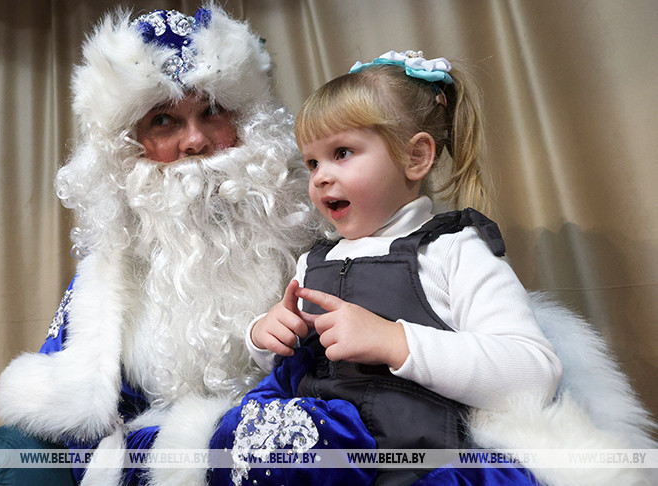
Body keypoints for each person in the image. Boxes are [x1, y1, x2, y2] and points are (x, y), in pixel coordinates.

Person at [206, 50, 655, 486]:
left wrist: (394, 341)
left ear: (415, 157)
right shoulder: (313, 260)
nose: (320, 176)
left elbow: (532, 372)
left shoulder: (454, 250)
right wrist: (266, 336)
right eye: (312, 162)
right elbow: (288, 365)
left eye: (342, 152)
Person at [0, 5, 321, 486]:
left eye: (212, 112)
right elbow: (84, 408)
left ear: (245, 120)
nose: (196, 141)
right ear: (131, 145)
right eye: (166, 121)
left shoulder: (305, 233)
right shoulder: (114, 267)